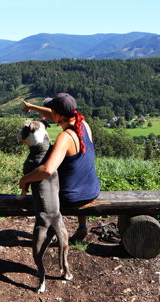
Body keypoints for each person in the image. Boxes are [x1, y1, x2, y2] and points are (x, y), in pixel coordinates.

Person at [20, 93, 100, 243]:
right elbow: (53, 115)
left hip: (71, 197)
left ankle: (52, 233)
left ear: (58, 115)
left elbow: (47, 170)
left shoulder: (65, 137)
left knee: (44, 187)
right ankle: (82, 226)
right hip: (92, 190)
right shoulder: (84, 124)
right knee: (77, 173)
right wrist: (33, 107)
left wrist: (24, 180)